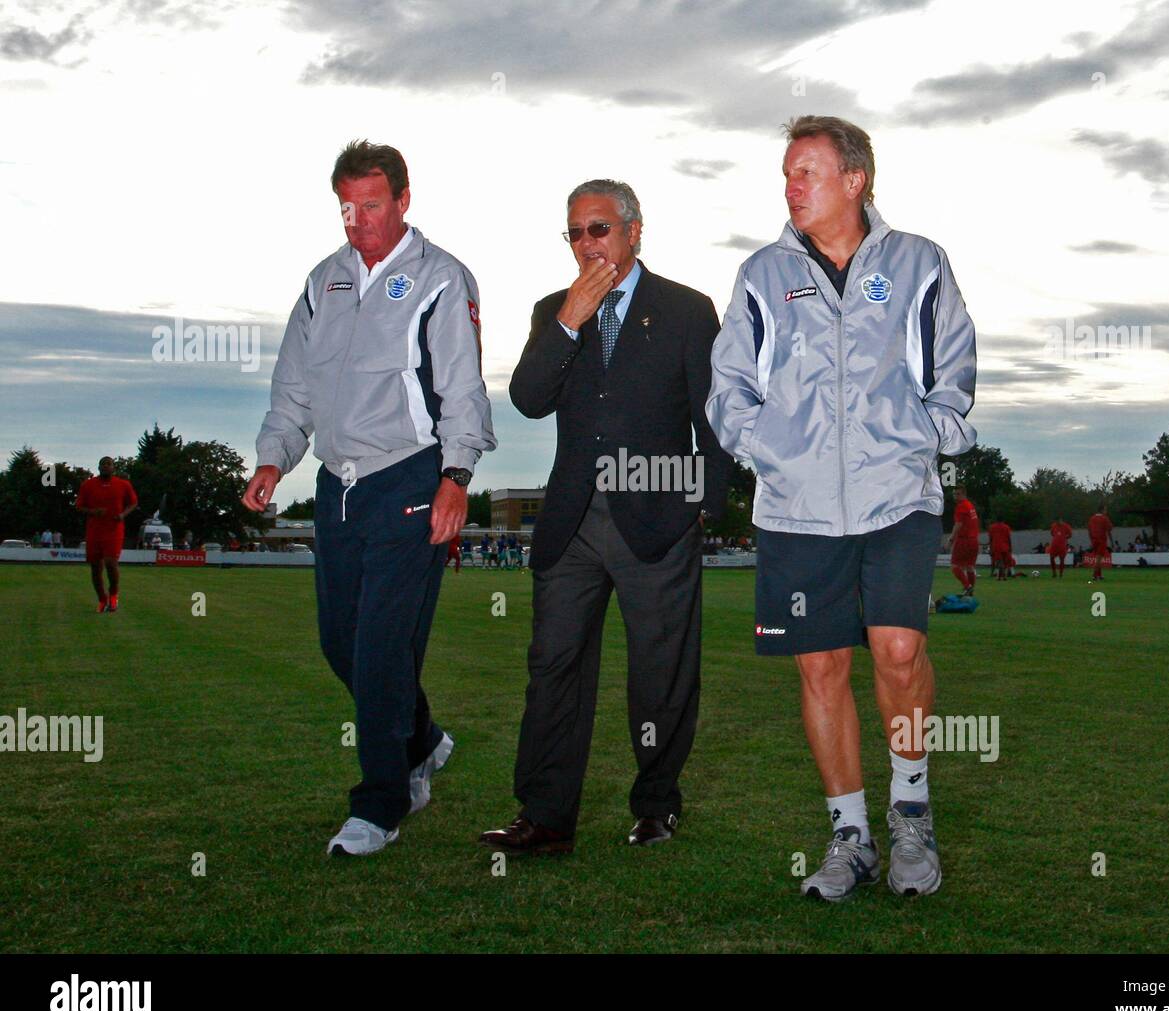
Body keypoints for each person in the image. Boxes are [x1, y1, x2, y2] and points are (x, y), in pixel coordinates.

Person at [707, 116, 977, 901]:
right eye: (788, 174)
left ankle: (913, 816)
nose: (791, 187)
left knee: (897, 649)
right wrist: (770, 450)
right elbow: (730, 387)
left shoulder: (919, 262)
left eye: (807, 172)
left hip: (897, 497)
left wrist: (925, 437)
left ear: (855, 179)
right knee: (821, 666)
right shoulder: (761, 274)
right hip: (795, 509)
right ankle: (851, 837)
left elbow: (953, 368)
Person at [242, 139, 496, 857]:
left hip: (411, 480)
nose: (357, 221)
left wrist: (457, 476)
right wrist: (272, 458)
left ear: (403, 200)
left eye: (372, 206)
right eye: (346, 208)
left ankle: (382, 803)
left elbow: (462, 387)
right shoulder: (324, 282)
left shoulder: (441, 278)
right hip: (336, 486)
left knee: (382, 649)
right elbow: (293, 387)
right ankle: (423, 737)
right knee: (340, 644)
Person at [479, 178, 731, 854]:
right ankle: (545, 815)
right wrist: (568, 321)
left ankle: (656, 806)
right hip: (571, 524)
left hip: (657, 520)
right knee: (553, 666)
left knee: (661, 672)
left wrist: (702, 505)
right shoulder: (552, 309)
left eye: (600, 229)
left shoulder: (686, 309)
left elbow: (716, 417)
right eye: (576, 233)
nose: (587, 244)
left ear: (633, 231)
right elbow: (530, 399)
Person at [75, 456, 139, 612]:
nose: (105, 466)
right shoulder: (88, 485)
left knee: (111, 563)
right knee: (95, 567)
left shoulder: (123, 485)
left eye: (108, 464)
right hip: (94, 530)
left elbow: (133, 502)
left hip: (114, 529)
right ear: (98, 467)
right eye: (102, 464)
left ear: (113, 467)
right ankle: (102, 599)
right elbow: (79, 506)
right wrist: (93, 511)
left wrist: (123, 515)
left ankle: (113, 595)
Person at [948, 485, 980, 596]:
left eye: (958, 494)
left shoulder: (961, 506)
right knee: (970, 566)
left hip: (964, 540)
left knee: (954, 566)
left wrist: (951, 539)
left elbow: (958, 524)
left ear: (964, 494)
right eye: (954, 494)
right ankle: (970, 592)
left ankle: (967, 587)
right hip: (974, 540)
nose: (955, 497)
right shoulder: (970, 506)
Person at [1087, 504, 1113, 583]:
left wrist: (1091, 540)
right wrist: (1111, 541)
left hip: (1094, 540)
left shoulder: (1092, 518)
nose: (1106, 511)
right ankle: (1094, 575)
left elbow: (1089, 530)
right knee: (1098, 559)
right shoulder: (1104, 518)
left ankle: (1099, 575)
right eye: (1105, 510)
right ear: (1102, 510)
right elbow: (1109, 529)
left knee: (1098, 558)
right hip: (1101, 540)